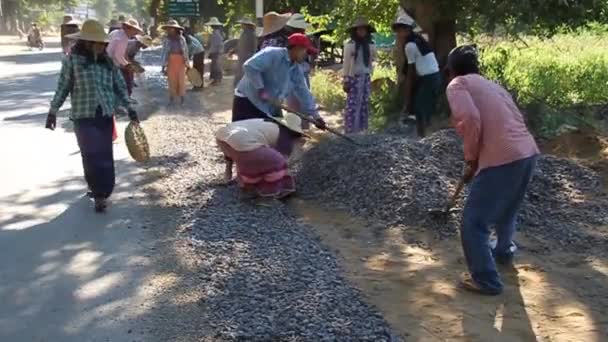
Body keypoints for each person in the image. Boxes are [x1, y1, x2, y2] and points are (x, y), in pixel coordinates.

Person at [446, 45, 540, 295]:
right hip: (527, 152)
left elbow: (470, 119)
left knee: (474, 222)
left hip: (502, 157)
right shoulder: (492, 85)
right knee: (507, 210)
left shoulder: (457, 85)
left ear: (451, 70)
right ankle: (503, 253)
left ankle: (486, 280)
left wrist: (471, 158)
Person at [45, 19, 139, 213]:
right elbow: (62, 87)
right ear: (86, 43)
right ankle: (97, 192)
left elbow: (119, 87)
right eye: (96, 42)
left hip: (104, 114)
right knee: (90, 154)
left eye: (102, 43)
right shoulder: (72, 60)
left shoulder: (108, 63)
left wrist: (130, 108)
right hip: (83, 115)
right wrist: (53, 111)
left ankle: (103, 191)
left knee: (104, 153)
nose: (100, 46)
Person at [233, 33, 326, 132]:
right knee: (245, 136)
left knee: (275, 135)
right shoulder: (272, 54)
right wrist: (260, 89)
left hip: (269, 106)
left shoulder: (296, 70)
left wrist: (316, 117)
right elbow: (249, 67)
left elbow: (304, 93)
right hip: (247, 101)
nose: (306, 56)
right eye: (305, 51)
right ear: (297, 48)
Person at [215, 113, 307, 199]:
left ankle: (249, 186)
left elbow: (233, 153)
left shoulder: (264, 123)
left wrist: (228, 174)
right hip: (243, 143)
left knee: (252, 158)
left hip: (222, 138)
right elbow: (283, 159)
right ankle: (277, 191)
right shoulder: (285, 134)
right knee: (277, 162)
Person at [393, 16, 441, 137]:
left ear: (408, 30)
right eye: (398, 30)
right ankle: (426, 135)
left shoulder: (410, 46)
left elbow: (411, 72)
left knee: (420, 110)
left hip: (428, 78)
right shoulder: (419, 40)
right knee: (424, 109)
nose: (399, 33)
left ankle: (424, 139)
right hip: (434, 76)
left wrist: (407, 100)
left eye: (402, 30)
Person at [342, 17, 376, 134]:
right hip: (353, 77)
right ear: (355, 31)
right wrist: (345, 80)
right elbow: (346, 63)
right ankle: (350, 130)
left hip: (365, 77)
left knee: (364, 103)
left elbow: (373, 59)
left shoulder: (371, 44)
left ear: (367, 31)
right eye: (359, 30)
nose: (361, 32)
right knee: (352, 104)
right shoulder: (350, 44)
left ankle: (362, 130)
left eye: (363, 29)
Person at [106, 18, 144, 97]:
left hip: (106, 61)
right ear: (128, 28)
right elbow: (118, 55)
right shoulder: (123, 38)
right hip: (111, 64)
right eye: (135, 30)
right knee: (124, 86)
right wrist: (128, 65)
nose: (135, 33)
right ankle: (122, 105)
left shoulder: (115, 32)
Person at [160, 20, 190, 105]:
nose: (170, 30)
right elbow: (164, 53)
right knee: (171, 80)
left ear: (176, 29)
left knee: (181, 80)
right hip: (170, 61)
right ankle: (171, 99)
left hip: (181, 61)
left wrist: (187, 64)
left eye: (172, 28)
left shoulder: (182, 39)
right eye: (169, 29)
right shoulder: (166, 40)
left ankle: (182, 100)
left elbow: (186, 52)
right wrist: (163, 66)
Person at [234, 17, 257, 87]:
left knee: (243, 74)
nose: (241, 25)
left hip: (247, 56)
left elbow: (253, 46)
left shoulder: (251, 34)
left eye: (243, 24)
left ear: (246, 25)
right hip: (243, 56)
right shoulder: (244, 33)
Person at [206, 17, 225, 85]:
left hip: (216, 52)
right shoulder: (215, 33)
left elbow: (218, 44)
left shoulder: (216, 34)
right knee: (214, 66)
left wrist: (217, 52)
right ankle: (215, 79)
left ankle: (217, 79)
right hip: (215, 52)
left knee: (216, 66)